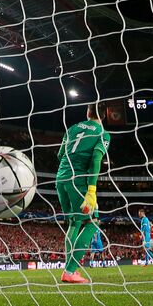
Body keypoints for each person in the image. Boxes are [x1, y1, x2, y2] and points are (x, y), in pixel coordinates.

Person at [56, 102, 111, 283]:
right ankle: (70, 271)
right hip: (78, 183)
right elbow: (96, 158)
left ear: (88, 112)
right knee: (92, 223)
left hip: (61, 179)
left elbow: (59, 154)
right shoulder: (102, 133)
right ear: (104, 116)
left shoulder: (72, 128)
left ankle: (69, 269)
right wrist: (91, 190)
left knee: (74, 223)